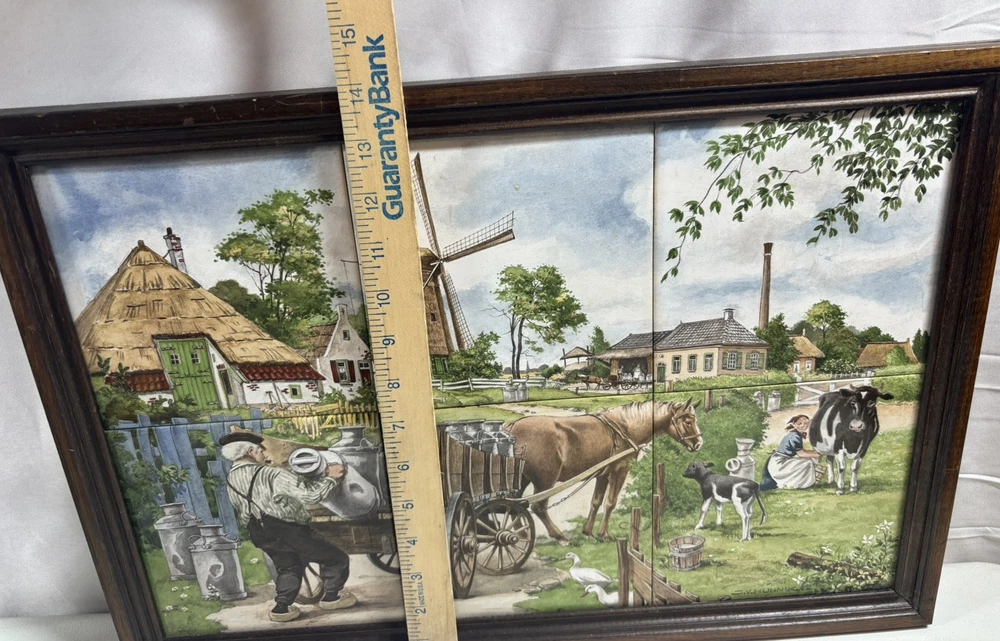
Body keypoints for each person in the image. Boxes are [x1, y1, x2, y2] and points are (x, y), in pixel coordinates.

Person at [220, 432, 355, 623]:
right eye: (261, 451)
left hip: (258, 531)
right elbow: (310, 496)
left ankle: (282, 608)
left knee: (288, 567)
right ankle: (332, 598)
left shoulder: (231, 478)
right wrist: (331, 478)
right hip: (288, 529)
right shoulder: (272, 474)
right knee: (336, 558)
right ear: (250, 452)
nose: (265, 455)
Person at [760, 414, 822, 491]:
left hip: (783, 459)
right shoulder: (794, 436)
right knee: (808, 462)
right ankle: (800, 484)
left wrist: (814, 452)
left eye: (805, 423)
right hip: (780, 463)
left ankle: (801, 482)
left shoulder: (796, 434)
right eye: (799, 423)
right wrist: (816, 455)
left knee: (808, 459)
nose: (803, 426)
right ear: (793, 424)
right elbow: (801, 453)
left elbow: (801, 450)